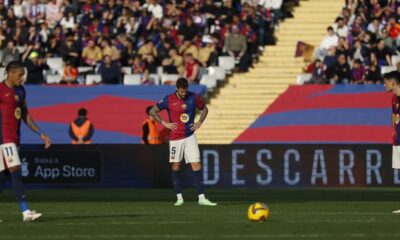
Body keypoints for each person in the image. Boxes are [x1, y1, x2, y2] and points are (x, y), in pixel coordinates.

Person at [150, 78, 216, 207]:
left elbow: (205, 109)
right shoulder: (168, 99)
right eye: (181, 92)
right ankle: (179, 198)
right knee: (176, 166)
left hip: (190, 136)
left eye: (185, 91)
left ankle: (201, 198)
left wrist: (199, 122)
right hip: (175, 138)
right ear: (177, 89)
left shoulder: (194, 97)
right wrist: (164, 123)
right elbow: (153, 111)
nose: (184, 94)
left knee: (196, 165)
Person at [0, 61, 51, 221]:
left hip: (15, 138)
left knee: (4, 176)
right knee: (16, 171)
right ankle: (26, 212)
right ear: (10, 73)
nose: (22, 78)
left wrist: (40, 133)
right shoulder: (0, 90)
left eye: (23, 75)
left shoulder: (21, 90)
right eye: (20, 75)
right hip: (3, 139)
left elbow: (25, 114)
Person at [383, 71, 400, 214]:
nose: (384, 85)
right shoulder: (394, 98)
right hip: (398, 141)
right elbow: (394, 116)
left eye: (386, 82)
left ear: (393, 82)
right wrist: (393, 133)